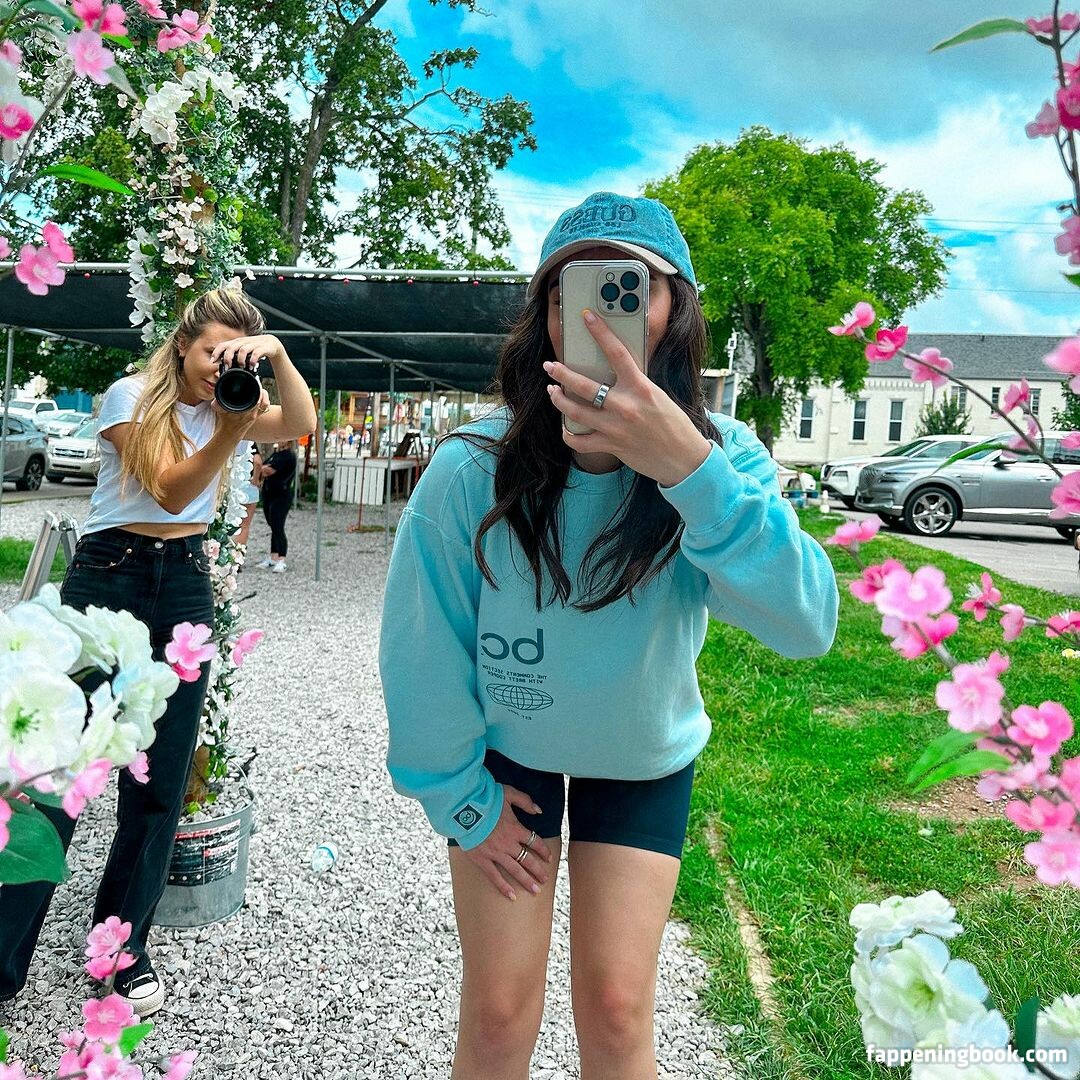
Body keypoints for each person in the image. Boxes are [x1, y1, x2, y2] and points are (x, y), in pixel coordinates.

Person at [379, 191, 839, 1080]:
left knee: (619, 1011)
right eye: (568, 293)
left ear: (675, 311)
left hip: (640, 758)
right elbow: (422, 648)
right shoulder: (471, 466)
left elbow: (807, 624)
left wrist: (688, 470)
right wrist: (460, 798)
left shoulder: (723, 458)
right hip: (507, 760)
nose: (594, 314)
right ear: (544, 319)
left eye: (626, 288)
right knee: (498, 1014)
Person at [0, 286, 316, 1017]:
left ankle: (121, 951)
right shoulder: (129, 397)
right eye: (212, 353)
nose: (221, 368)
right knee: (61, 772)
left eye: (235, 356)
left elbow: (300, 421)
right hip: (109, 576)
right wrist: (231, 431)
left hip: (184, 584)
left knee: (160, 781)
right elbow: (170, 492)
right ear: (181, 345)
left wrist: (275, 356)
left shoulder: (231, 403)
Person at [257, 439, 297, 573]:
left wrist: (260, 469)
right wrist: (261, 468)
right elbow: (263, 467)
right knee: (273, 525)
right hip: (269, 493)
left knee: (278, 525)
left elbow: (268, 470)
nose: (280, 441)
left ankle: (281, 558)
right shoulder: (275, 455)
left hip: (281, 494)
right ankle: (273, 556)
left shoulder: (288, 455)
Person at [235, 442, 262, 549]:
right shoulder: (250, 442)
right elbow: (258, 462)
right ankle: (238, 553)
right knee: (244, 526)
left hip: (234, 484)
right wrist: (255, 479)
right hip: (249, 486)